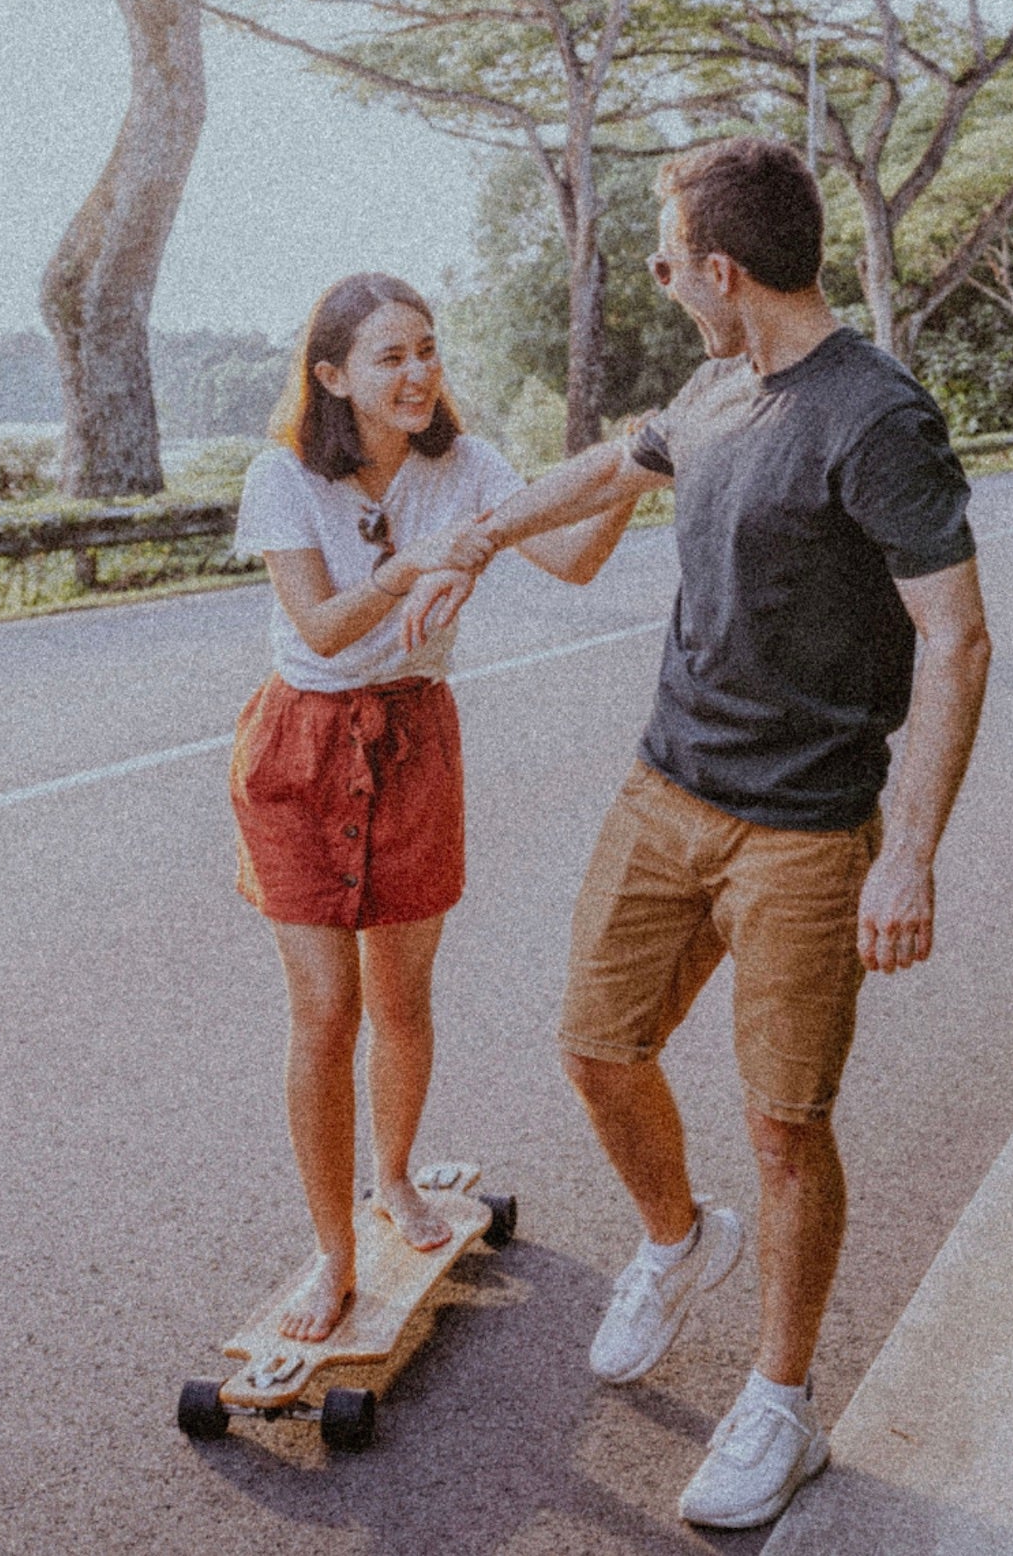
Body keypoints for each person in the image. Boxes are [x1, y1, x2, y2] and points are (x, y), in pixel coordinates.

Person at [412, 138, 992, 1530]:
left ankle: (781, 1404)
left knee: (787, 1124)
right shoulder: (719, 382)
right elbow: (620, 463)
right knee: (597, 1050)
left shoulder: (876, 419)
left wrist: (907, 851)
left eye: (671, 261)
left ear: (724, 269)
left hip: (804, 834)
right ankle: (679, 1240)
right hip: (665, 789)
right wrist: (482, 536)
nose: (667, 281)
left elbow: (958, 638)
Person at [229, 272, 637, 1343]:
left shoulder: (468, 466)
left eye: (428, 350)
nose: (416, 373)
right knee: (326, 1010)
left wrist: (637, 470)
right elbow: (318, 628)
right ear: (332, 376)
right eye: (388, 356)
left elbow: (577, 559)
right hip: (303, 748)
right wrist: (416, 564)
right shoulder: (282, 477)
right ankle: (333, 1248)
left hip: (413, 739)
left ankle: (397, 1178)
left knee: (402, 996)